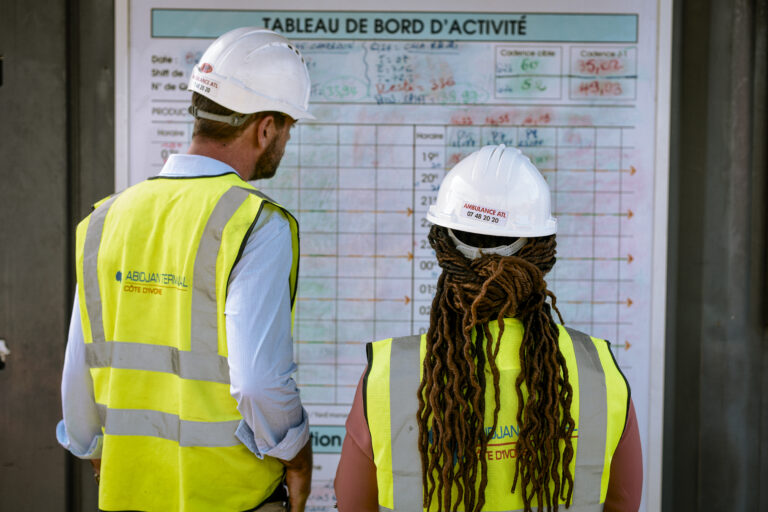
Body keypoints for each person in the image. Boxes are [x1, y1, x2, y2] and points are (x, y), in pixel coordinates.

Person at [57, 28, 315, 512]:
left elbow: (78, 380)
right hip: (232, 499)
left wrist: (97, 450)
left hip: (127, 494)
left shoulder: (104, 220)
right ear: (265, 128)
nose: (283, 141)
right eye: (287, 128)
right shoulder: (256, 225)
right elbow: (257, 382)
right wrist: (297, 456)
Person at [334, 145, 642, 512]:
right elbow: (624, 502)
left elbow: (352, 503)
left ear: (443, 247)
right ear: (541, 251)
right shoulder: (600, 373)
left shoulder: (386, 375)